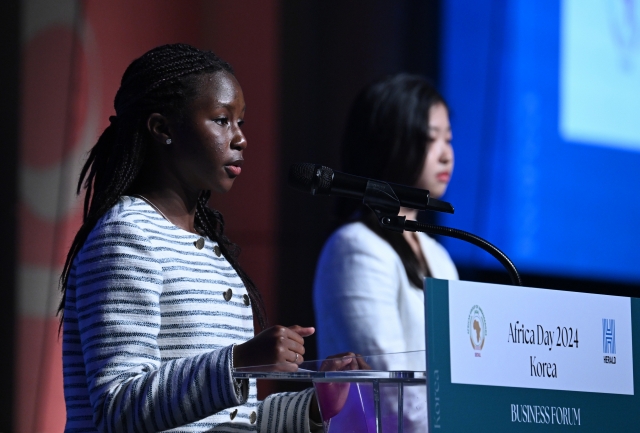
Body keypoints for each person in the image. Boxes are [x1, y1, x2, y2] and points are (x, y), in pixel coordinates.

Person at [60, 43, 357, 433]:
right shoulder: (127, 235)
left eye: (241, 123)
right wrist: (237, 362)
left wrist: (316, 404)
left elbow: (224, 420)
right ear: (162, 128)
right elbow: (117, 407)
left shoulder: (210, 248)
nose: (240, 139)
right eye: (221, 120)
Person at [313, 74, 459, 430]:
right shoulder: (356, 248)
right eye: (430, 139)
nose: (445, 154)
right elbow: (391, 392)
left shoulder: (438, 254)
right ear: (389, 144)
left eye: (449, 138)